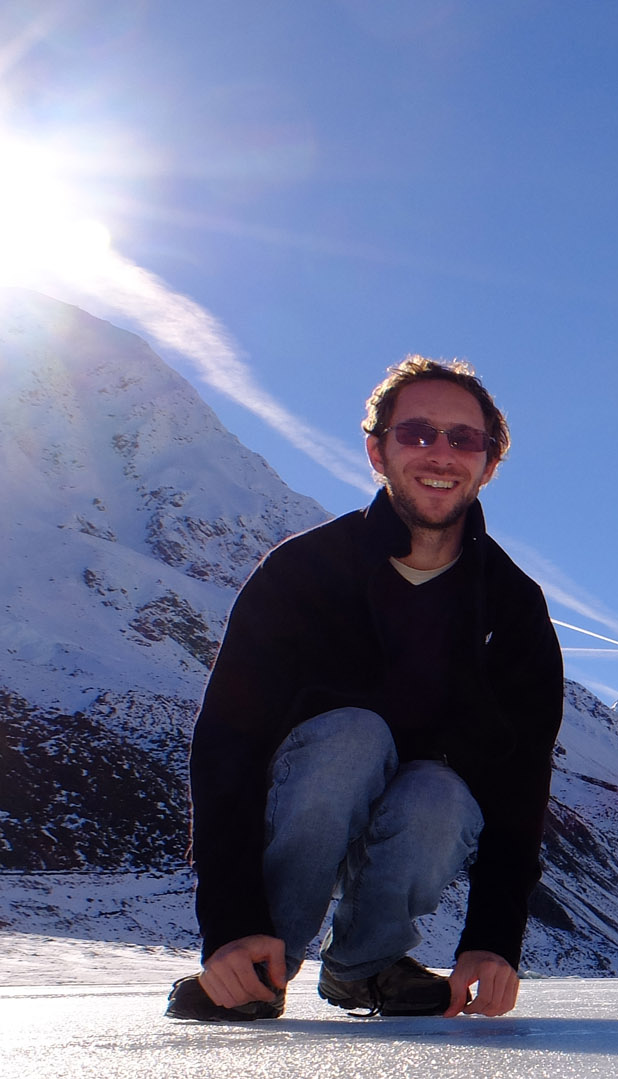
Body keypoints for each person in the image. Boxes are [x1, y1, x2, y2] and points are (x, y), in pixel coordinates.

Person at [165, 356, 563, 1022]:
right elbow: (228, 746)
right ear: (377, 450)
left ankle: (365, 968)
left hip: (417, 816)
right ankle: (260, 964)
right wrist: (229, 923)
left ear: (489, 464)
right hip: (303, 792)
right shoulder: (303, 572)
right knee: (353, 735)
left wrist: (494, 941)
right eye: (418, 433)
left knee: (440, 791)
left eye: (464, 439)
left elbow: (519, 784)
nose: (441, 453)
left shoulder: (513, 607)